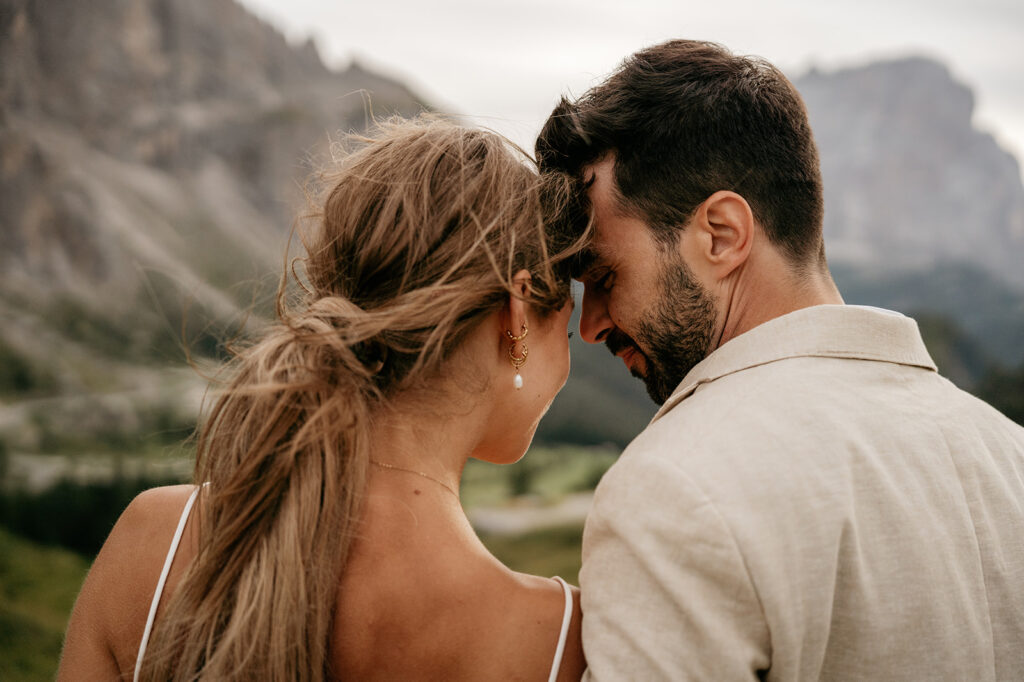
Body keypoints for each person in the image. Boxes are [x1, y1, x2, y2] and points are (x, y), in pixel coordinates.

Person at [537, 39, 1024, 680]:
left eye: (604, 277)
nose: (591, 325)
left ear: (722, 234)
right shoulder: (1011, 454)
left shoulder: (674, 489)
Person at [58, 117, 588, 681]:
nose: (570, 353)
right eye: (567, 327)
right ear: (516, 313)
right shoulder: (555, 640)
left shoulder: (153, 543)